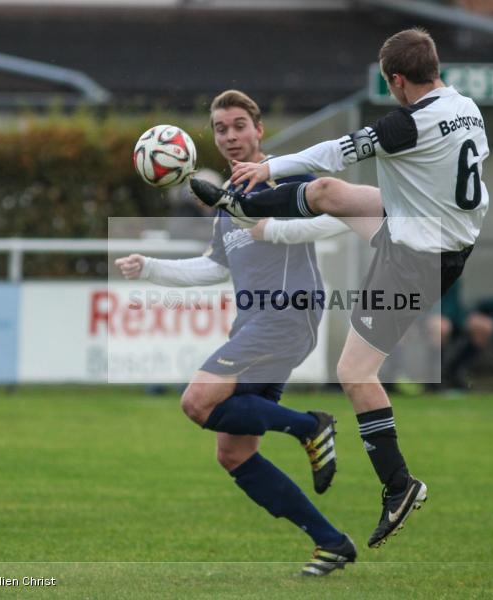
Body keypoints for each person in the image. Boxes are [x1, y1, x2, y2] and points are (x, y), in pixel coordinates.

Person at [190, 28, 490, 548]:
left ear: (396, 80)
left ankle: (398, 485)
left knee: (354, 371)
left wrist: (269, 166)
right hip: (430, 233)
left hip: (416, 257)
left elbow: (337, 150)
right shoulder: (465, 106)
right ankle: (244, 206)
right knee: (330, 194)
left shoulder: (409, 124)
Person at [116, 90, 356, 576]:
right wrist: (150, 269)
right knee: (233, 452)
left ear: (259, 129)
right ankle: (332, 543)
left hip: (287, 313)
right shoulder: (226, 201)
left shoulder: (286, 177)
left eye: (239, 125)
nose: (230, 136)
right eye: (221, 128)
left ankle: (311, 426)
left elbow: (343, 217)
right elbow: (212, 269)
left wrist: (281, 229)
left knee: (196, 402)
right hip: (255, 321)